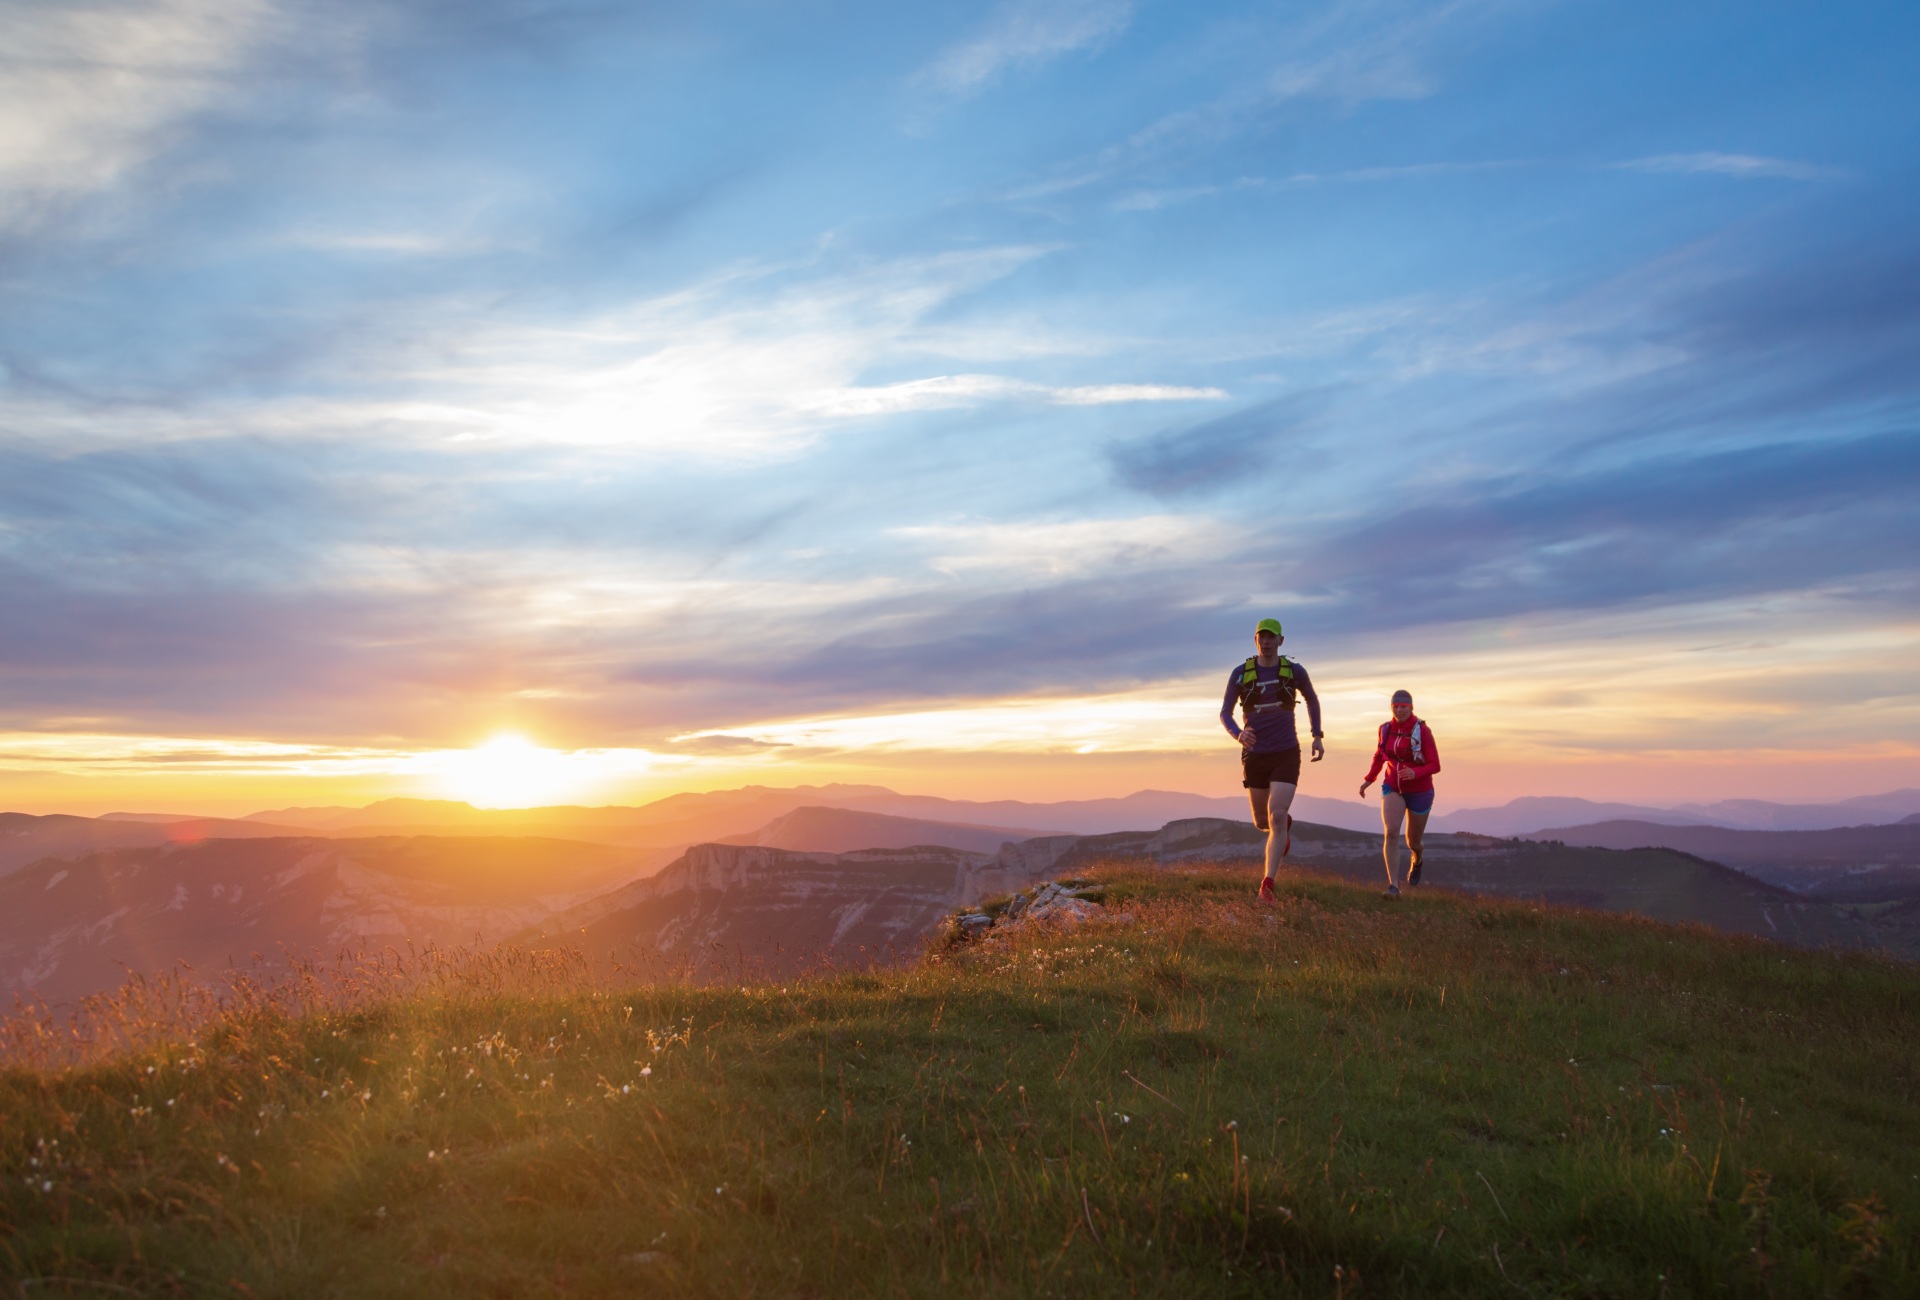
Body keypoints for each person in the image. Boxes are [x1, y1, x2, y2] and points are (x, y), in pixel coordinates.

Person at [1220, 617, 1324, 901]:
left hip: (1286, 752)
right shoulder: (1241, 674)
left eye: (1271, 637)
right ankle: (1282, 827)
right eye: (1261, 637)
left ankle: (1267, 883)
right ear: (1255, 640)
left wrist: (1317, 735)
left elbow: (1312, 699)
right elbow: (1225, 713)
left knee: (1276, 816)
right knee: (1261, 822)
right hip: (1255, 755)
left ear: (1281, 641)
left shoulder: (1294, 671)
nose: (1266, 642)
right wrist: (1238, 735)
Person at [1358, 689, 1441, 898]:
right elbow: (1379, 755)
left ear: (1411, 707)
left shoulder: (1422, 730)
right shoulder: (1385, 729)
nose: (1400, 710)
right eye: (1396, 706)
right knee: (1392, 831)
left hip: (1420, 791)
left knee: (1413, 842)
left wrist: (1415, 772)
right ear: (1391, 708)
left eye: (1404, 706)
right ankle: (1393, 887)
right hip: (1392, 787)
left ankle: (1417, 858)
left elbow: (1435, 764)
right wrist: (1369, 779)